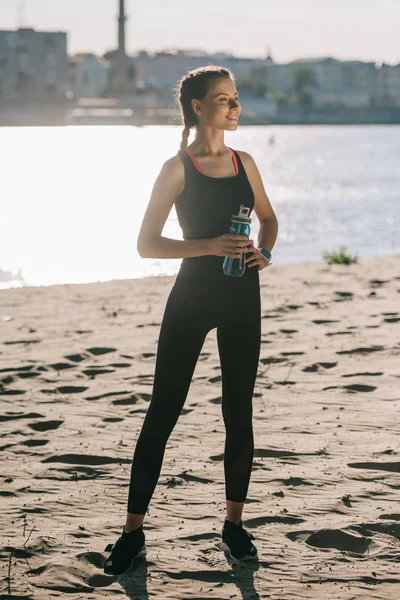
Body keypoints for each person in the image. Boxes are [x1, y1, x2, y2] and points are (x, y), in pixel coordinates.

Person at [103, 65, 279, 575]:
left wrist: (263, 252)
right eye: (223, 100)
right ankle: (133, 533)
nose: (234, 107)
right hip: (192, 297)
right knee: (163, 410)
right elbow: (145, 244)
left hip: (243, 295)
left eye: (236, 99)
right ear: (198, 107)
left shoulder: (246, 161)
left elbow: (267, 218)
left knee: (238, 411)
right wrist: (208, 246)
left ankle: (234, 527)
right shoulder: (177, 167)